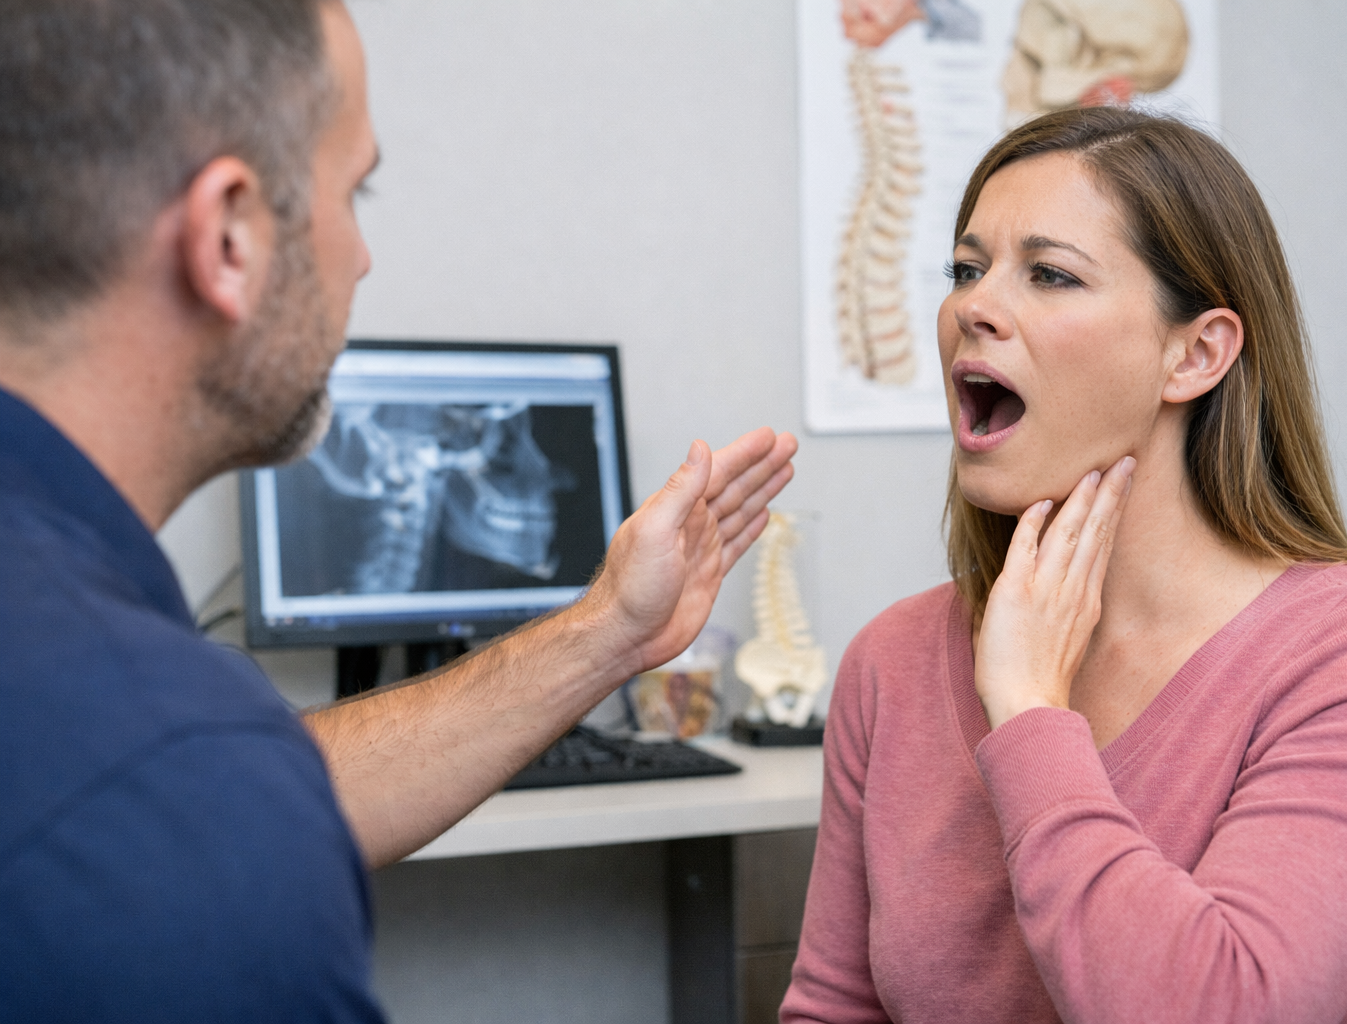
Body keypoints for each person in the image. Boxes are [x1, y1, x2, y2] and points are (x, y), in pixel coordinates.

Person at [0, 1, 795, 1019]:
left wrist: (611, 630)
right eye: (353, 189)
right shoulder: (167, 771)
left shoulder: (131, 737)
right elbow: (200, 795)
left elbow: (267, 786)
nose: (363, 257)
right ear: (229, 237)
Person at [781, 107, 1347, 1024]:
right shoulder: (890, 661)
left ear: (1196, 354)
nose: (972, 307)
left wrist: (1029, 711)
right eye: (967, 270)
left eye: (1051, 274)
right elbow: (834, 1008)